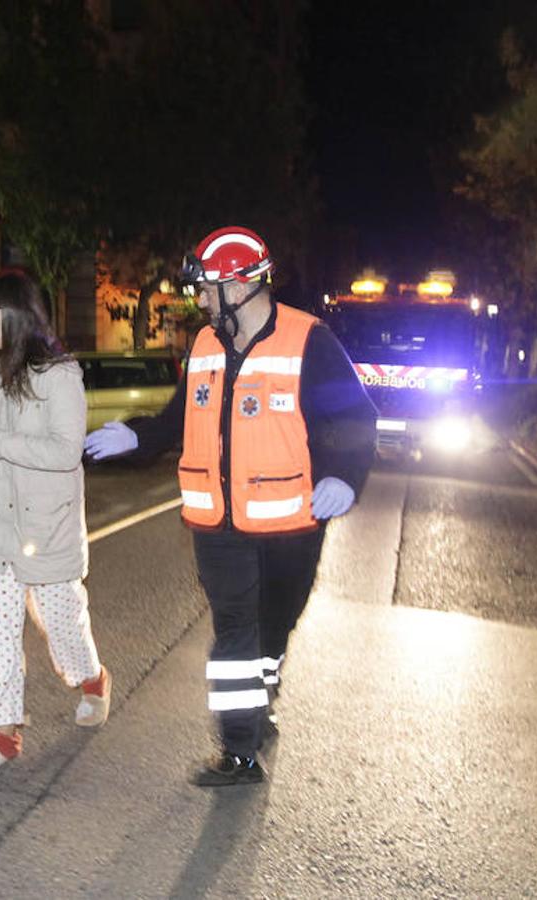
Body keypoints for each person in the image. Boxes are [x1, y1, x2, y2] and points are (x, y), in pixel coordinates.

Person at [84, 226, 377, 786]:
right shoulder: (204, 345)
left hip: (291, 524)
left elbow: (356, 419)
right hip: (218, 525)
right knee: (235, 632)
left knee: (274, 628)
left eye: (208, 289)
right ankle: (240, 751)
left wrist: (345, 477)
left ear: (242, 285)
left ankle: (263, 692)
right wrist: (137, 437)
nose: (200, 300)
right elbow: (177, 420)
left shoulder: (309, 340)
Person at [0, 271, 111, 782]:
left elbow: (66, 453)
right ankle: (4, 736)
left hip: (47, 529)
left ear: (16, 316)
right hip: (2, 526)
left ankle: (92, 679)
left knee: (62, 623)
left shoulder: (60, 376)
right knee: (1, 635)